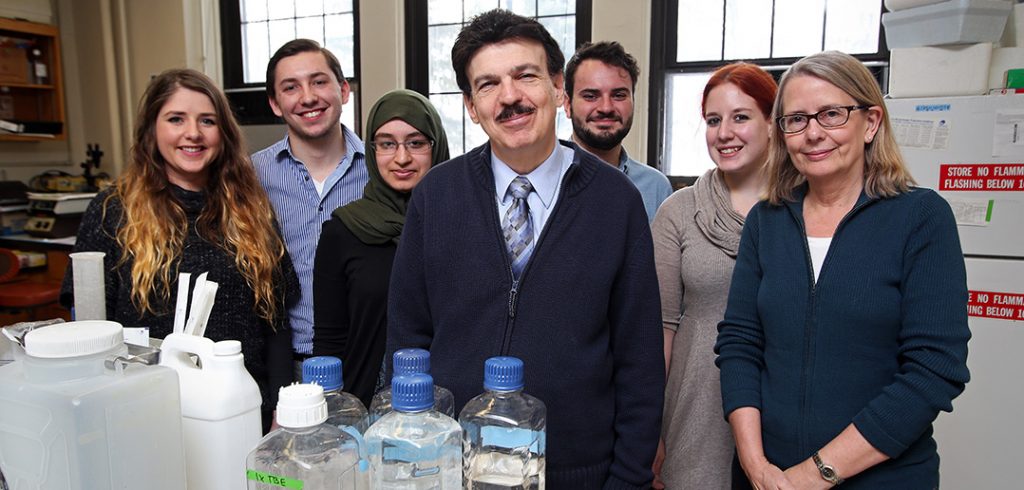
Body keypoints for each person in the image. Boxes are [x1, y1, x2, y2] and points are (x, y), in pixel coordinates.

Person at [386, 9, 664, 488]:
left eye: (525, 76)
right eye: (488, 84)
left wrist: (628, 479)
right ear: (472, 106)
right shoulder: (436, 195)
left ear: (558, 88)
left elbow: (639, 360)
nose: (510, 96)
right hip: (453, 465)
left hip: (579, 471)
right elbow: (406, 338)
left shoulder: (616, 201)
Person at [715, 50, 970, 489]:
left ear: (870, 122)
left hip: (880, 479)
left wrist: (814, 475)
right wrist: (756, 466)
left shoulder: (921, 217)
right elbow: (740, 344)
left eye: (831, 114)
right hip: (767, 478)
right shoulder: (767, 221)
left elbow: (933, 371)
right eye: (795, 119)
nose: (813, 133)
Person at [60, 68, 298, 431]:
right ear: (152, 130)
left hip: (240, 411)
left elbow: (276, 321)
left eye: (207, 121)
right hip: (144, 416)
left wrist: (280, 407)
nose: (193, 133)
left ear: (224, 133)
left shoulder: (251, 210)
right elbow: (88, 323)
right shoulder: (112, 211)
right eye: (176, 119)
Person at [653, 62, 776, 489]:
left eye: (741, 117)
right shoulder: (679, 211)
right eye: (713, 120)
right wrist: (651, 428)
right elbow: (661, 329)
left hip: (781, 400)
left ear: (772, 123)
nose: (724, 133)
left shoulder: (804, 209)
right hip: (698, 403)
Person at [312, 89, 450, 407]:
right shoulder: (343, 231)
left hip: (448, 404)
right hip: (362, 404)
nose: (401, 158)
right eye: (387, 144)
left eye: (416, 143)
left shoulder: (462, 225)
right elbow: (330, 341)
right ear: (372, 150)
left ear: (436, 145)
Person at [251, 39, 369, 377]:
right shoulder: (250, 177)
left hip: (369, 365)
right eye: (291, 87)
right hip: (287, 368)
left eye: (319, 81)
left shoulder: (381, 173)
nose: (308, 97)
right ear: (275, 103)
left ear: (344, 90)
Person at [564, 41, 672, 223]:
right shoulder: (541, 181)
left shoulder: (656, 188)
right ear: (568, 105)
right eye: (590, 96)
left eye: (619, 95)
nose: (606, 108)